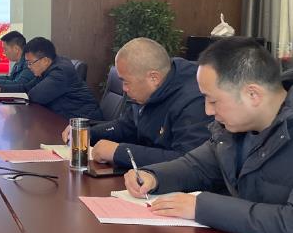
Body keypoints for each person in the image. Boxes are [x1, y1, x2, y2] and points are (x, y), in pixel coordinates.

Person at [125, 37, 293, 233]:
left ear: (253, 94)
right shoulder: (233, 129)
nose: (207, 111)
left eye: (213, 100)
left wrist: (202, 207)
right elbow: (198, 166)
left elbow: (289, 225)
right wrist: (154, 176)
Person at [63, 37, 211, 168]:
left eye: (126, 82)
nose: (124, 89)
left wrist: (119, 152)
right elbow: (126, 126)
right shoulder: (149, 91)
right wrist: (88, 133)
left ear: (153, 78)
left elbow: (188, 162)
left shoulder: (194, 100)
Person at [20, 37, 102, 120]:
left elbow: (35, 96)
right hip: (66, 118)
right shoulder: (49, 68)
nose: (28, 67)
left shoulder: (60, 72)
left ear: (45, 61)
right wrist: (10, 90)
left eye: (30, 63)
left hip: (85, 122)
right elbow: (27, 88)